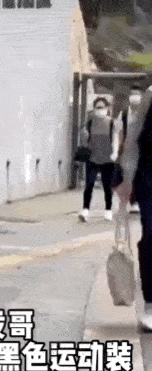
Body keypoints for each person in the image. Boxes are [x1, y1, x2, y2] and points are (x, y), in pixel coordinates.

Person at [118, 84, 152, 330]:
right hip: (150, 177)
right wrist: (127, 179)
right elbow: (133, 139)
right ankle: (151, 304)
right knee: (151, 234)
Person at [79, 97, 119, 222]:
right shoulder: (90, 123)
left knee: (107, 186)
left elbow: (115, 139)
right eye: (97, 107)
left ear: (107, 108)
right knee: (89, 184)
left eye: (102, 107)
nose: (100, 110)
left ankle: (108, 210)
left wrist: (115, 152)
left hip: (107, 159)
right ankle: (85, 210)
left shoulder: (111, 123)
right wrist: (84, 134)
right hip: (92, 158)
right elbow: (85, 139)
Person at [115, 85, 144, 213]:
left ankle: (136, 202)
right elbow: (118, 131)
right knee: (128, 177)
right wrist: (118, 148)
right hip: (127, 151)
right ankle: (131, 201)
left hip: (142, 150)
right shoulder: (124, 114)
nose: (134, 97)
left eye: (137, 94)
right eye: (132, 94)